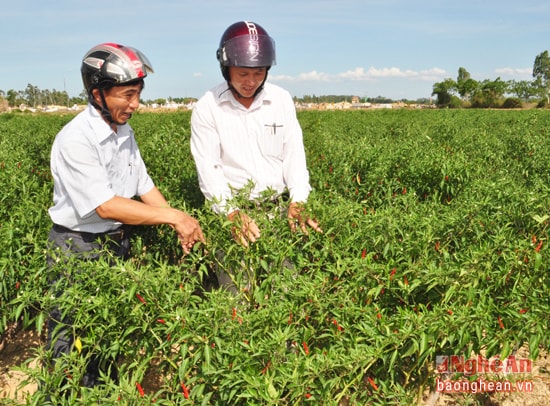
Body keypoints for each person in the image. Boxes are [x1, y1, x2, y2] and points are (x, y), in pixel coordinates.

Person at [45, 42, 205, 390]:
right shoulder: (77, 138)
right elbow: (106, 205)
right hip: (77, 247)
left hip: (114, 243)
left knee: (105, 332)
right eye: (127, 95)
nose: (135, 104)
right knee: (68, 338)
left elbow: (143, 185)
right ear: (97, 92)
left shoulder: (123, 133)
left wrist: (181, 223)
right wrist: (174, 217)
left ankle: (100, 394)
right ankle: (64, 394)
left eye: (138, 95)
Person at [190, 21, 322, 289]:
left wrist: (298, 200)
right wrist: (231, 213)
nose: (251, 82)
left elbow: (294, 155)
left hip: (279, 213)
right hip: (234, 216)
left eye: (259, 73)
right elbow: (209, 170)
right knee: (238, 296)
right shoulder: (208, 107)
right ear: (226, 68)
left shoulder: (281, 100)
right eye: (242, 74)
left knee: (287, 292)